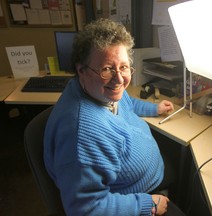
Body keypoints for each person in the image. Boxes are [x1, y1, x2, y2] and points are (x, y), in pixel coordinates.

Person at [44, 18, 185, 216]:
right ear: (81, 70)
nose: (119, 79)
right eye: (107, 69)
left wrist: (154, 109)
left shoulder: (99, 89)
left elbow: (128, 102)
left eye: (124, 67)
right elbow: (85, 209)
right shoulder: (83, 134)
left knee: (185, 164)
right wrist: (146, 205)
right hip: (136, 196)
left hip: (148, 171)